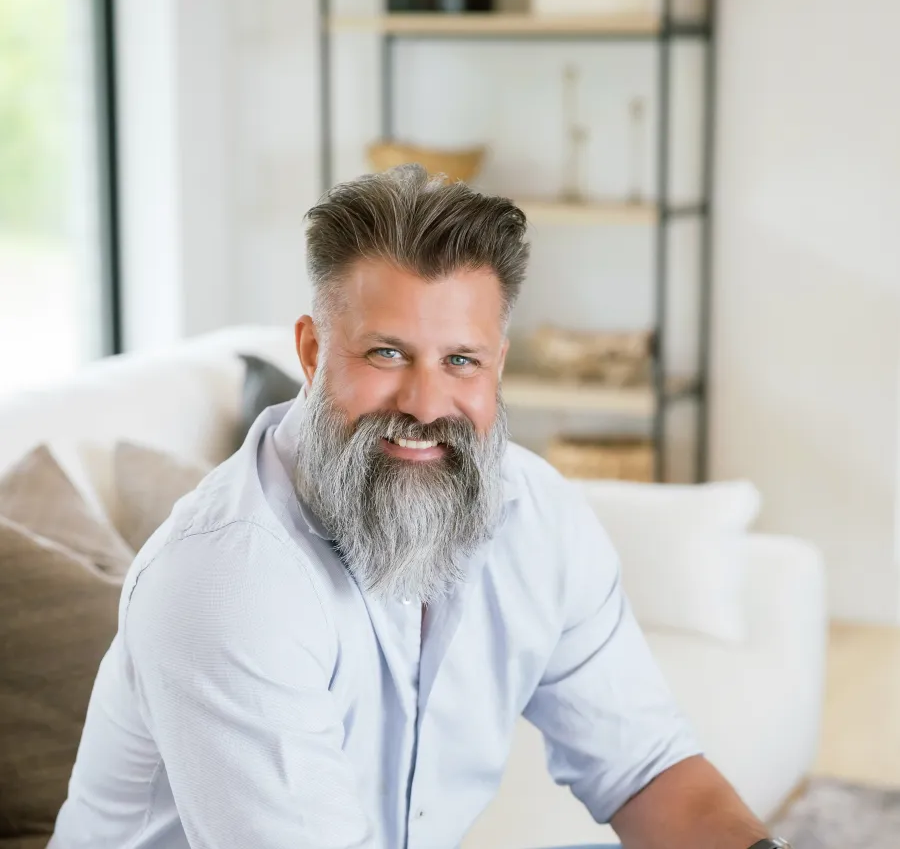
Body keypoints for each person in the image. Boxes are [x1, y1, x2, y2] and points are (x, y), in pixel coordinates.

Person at [50, 165, 787, 849]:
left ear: (497, 364)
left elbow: (652, 773)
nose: (426, 403)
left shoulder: (536, 515)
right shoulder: (225, 582)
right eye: (387, 355)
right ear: (310, 353)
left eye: (460, 361)